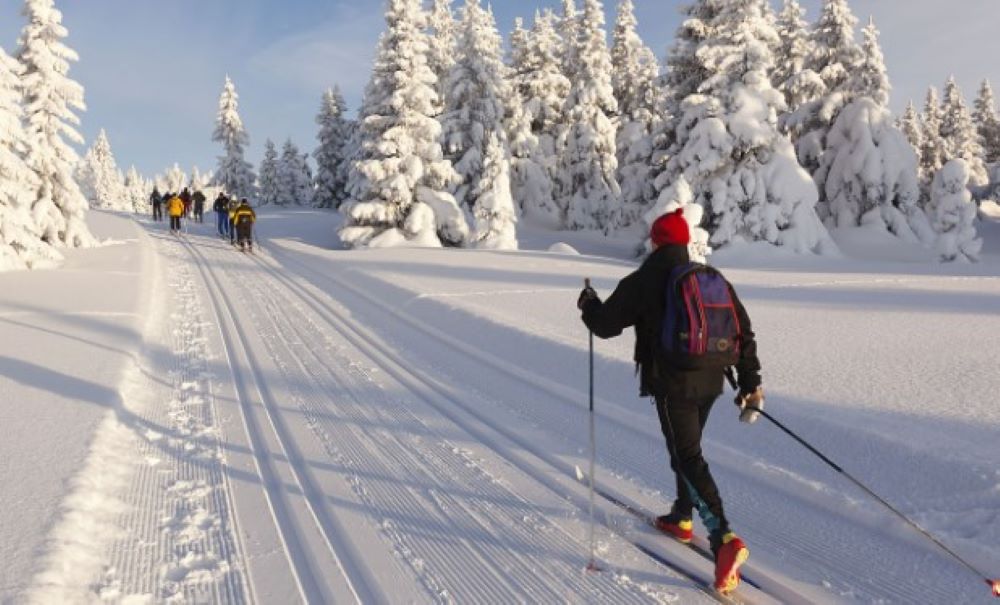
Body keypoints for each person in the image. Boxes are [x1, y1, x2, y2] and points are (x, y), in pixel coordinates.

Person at [577, 209, 763, 596]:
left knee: (687, 456)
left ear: (656, 241)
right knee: (686, 449)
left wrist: (588, 304)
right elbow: (743, 332)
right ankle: (682, 516)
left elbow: (605, 325)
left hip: (672, 383)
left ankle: (724, 540)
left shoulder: (645, 279)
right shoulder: (710, 278)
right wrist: (750, 383)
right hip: (711, 381)